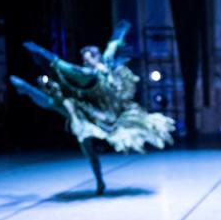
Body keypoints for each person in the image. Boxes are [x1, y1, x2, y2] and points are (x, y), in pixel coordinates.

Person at [11, 20, 175, 194]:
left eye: (88, 57)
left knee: (67, 97)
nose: (85, 60)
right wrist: (120, 33)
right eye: (84, 58)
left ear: (95, 56)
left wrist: (40, 51)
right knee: (66, 114)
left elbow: (105, 51)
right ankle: (99, 181)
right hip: (88, 110)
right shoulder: (91, 70)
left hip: (110, 113)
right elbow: (108, 47)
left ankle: (27, 89)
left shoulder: (98, 68)